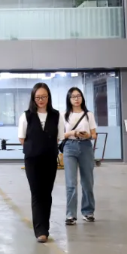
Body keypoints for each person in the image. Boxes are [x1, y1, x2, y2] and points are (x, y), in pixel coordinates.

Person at [18, 83, 64, 243]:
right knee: (37, 193)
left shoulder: (56, 115)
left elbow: (59, 137)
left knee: (47, 194)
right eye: (37, 97)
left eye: (44, 97)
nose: (41, 100)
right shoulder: (26, 116)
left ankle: (45, 227)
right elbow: (22, 138)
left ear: (48, 97)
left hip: (50, 159)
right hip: (32, 160)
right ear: (33, 98)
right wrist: (35, 148)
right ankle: (40, 231)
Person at [62, 87, 97, 225]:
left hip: (86, 146)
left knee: (87, 181)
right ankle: (70, 215)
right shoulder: (64, 115)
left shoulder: (89, 115)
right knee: (71, 183)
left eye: (79, 96)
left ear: (82, 98)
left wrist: (88, 135)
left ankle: (88, 212)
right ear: (69, 99)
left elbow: (94, 134)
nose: (76, 99)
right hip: (69, 147)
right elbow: (60, 135)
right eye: (73, 96)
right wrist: (73, 133)